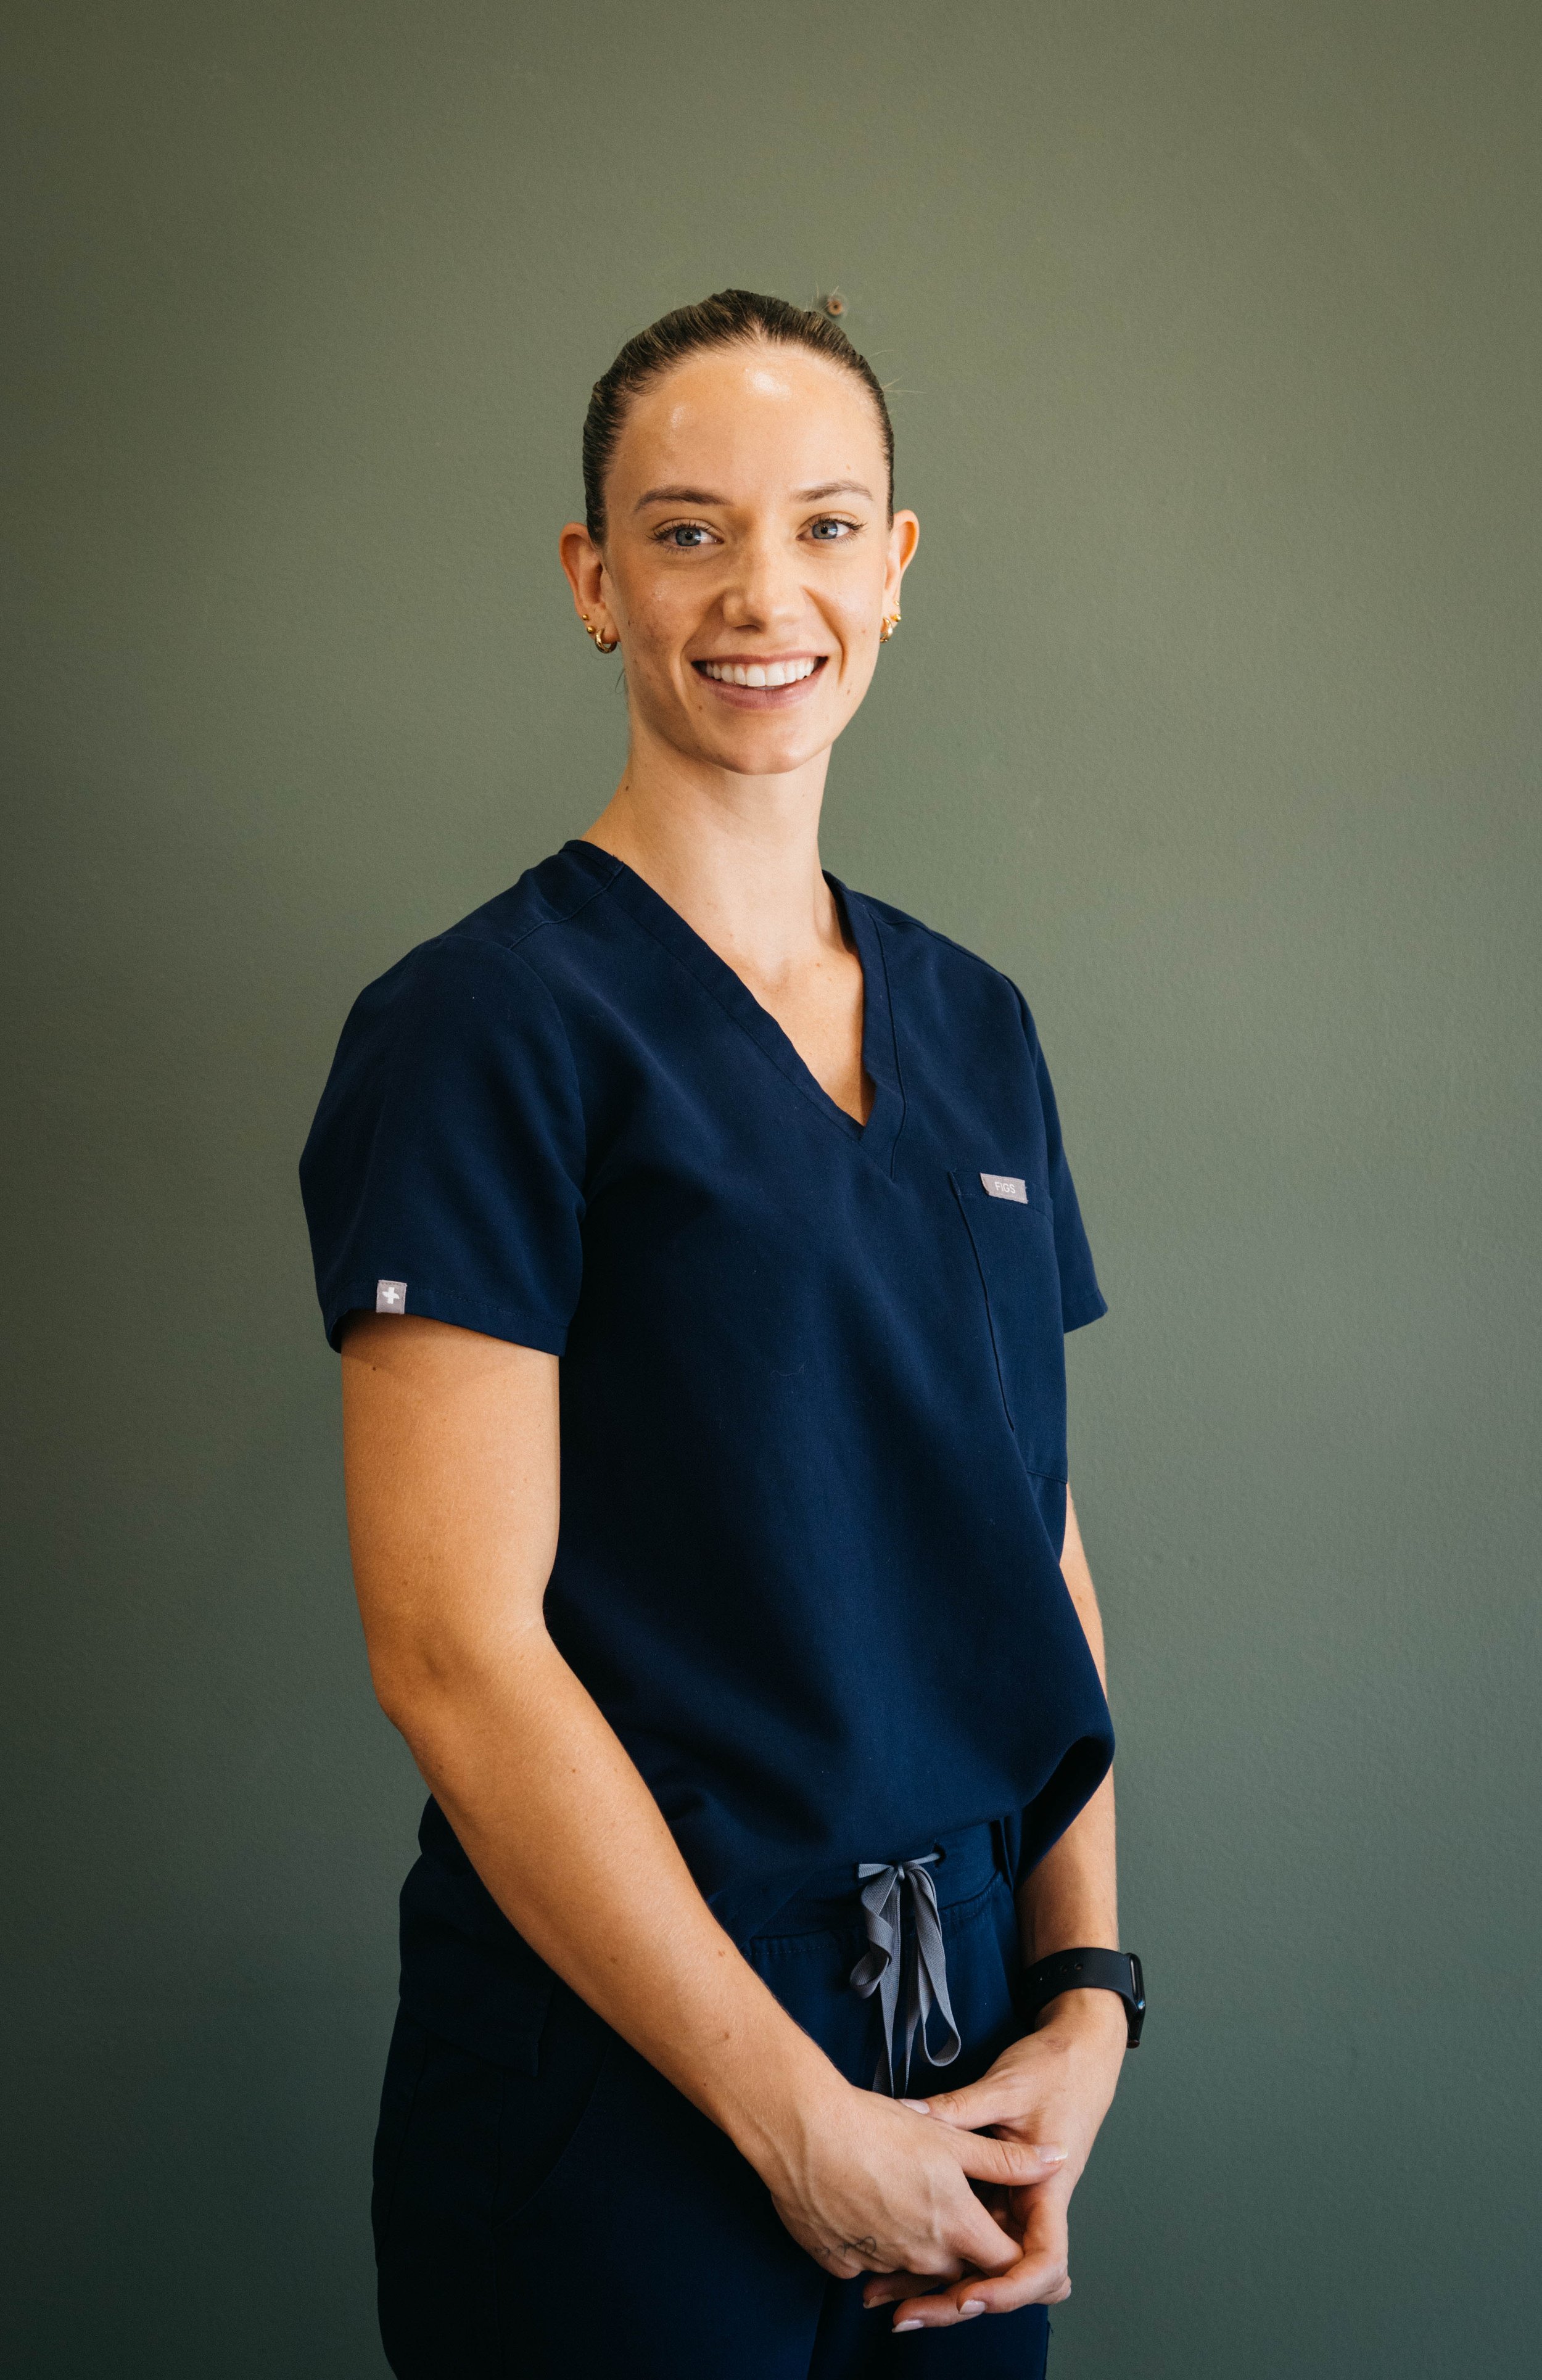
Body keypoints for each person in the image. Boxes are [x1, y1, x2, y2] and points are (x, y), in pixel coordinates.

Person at [300, 289, 1141, 2379]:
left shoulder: (975, 1025)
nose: (763, 593)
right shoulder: (489, 1030)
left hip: (959, 2072)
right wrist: (786, 2115)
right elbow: (451, 1650)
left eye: (824, 526)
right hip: (629, 2093)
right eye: (685, 533)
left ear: (895, 564)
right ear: (594, 581)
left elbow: (1027, 1532)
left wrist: (1087, 1989)